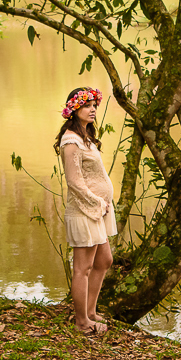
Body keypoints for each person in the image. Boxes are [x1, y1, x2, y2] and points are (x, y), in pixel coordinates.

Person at [54, 87, 117, 335]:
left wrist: (103, 203)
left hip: (97, 210)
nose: (92, 110)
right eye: (87, 105)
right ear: (74, 109)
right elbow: (74, 182)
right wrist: (97, 202)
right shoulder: (70, 140)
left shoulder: (85, 137)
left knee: (104, 260)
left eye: (94, 106)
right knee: (83, 268)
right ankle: (82, 322)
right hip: (84, 210)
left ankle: (90, 312)